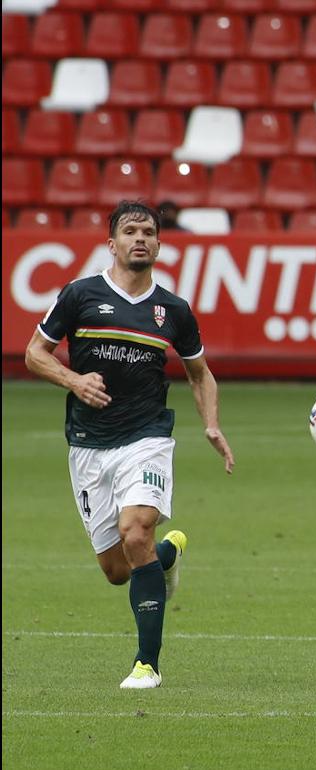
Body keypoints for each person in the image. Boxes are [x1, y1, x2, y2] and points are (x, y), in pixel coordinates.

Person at [24, 200, 234, 689]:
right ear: (111, 243)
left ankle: (147, 664)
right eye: (130, 231)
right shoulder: (79, 296)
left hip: (147, 436)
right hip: (88, 445)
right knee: (118, 569)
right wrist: (74, 381)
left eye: (148, 232)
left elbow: (199, 373)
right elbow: (35, 354)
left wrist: (212, 423)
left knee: (135, 531)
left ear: (159, 245)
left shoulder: (173, 311)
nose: (140, 238)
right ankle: (167, 557)